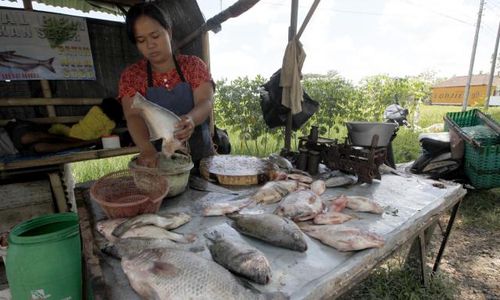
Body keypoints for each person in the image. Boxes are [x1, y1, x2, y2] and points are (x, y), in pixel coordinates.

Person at [118, 2, 215, 169]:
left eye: (155, 36)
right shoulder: (132, 76)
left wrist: (191, 119)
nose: (150, 45)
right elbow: (133, 116)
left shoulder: (193, 66)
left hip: (202, 159)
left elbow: (205, 101)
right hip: (160, 162)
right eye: (141, 40)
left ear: (168, 32)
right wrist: (146, 149)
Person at [4, 97, 123, 154]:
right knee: (42, 144)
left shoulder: (95, 109)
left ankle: (78, 141)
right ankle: (84, 142)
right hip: (16, 149)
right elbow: (107, 134)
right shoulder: (110, 122)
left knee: (34, 137)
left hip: (9, 134)